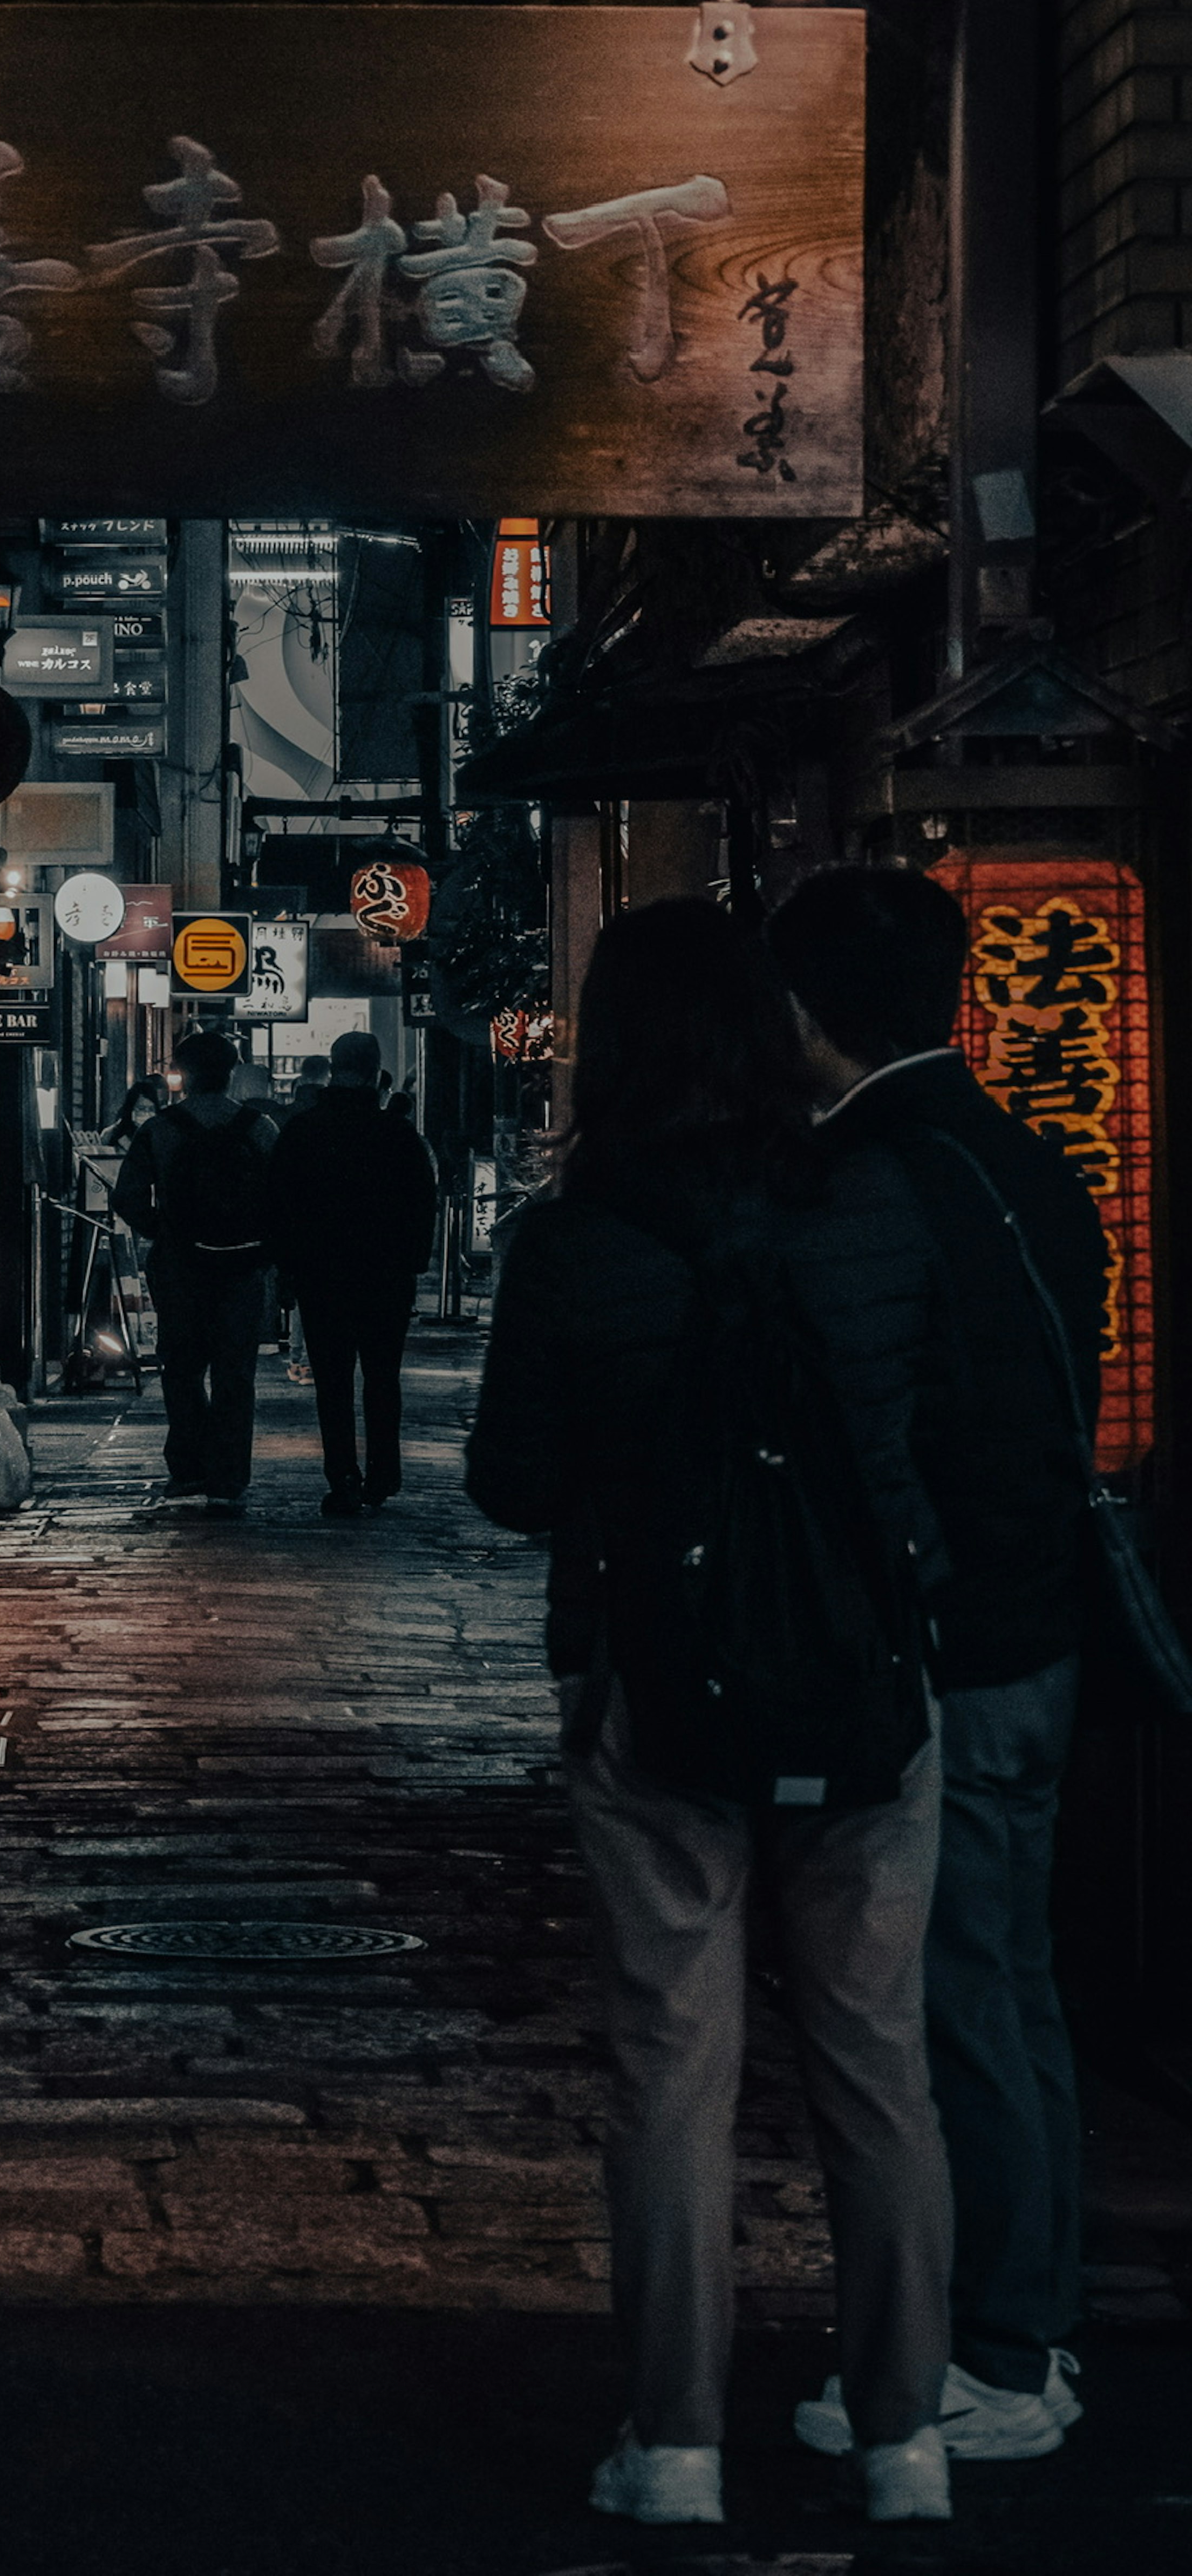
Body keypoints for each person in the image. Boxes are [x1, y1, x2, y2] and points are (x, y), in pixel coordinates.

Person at [467, 899, 955, 2528]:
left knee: (671, 2061)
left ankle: (672, 2445)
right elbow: (927, 1442)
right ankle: (904, 2442)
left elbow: (512, 1481)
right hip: (863, 1685)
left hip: (654, 1684)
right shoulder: (876, 1202)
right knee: (874, 2060)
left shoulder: (572, 1233)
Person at [766, 864, 1108, 2465]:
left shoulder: (871, 1179)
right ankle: (1030, 2321)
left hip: (950, 1647)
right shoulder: (1027, 1164)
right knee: (1013, 1989)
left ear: (802, 1015)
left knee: (949, 1997)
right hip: (1039, 1632)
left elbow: (885, 1428)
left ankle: (993, 2354)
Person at [267, 1030, 437, 1517]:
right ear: (374, 1070)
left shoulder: (303, 1132)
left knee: (332, 1383)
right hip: (385, 1277)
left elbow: (280, 1207)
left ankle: (342, 1476)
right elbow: (422, 1206)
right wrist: (413, 1264)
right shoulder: (399, 1136)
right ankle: (383, 1474)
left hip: (321, 1278)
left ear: (334, 1067)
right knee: (383, 1379)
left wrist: (287, 1270)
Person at [112, 1030, 280, 1517]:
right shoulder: (260, 1128)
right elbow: (282, 1198)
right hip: (243, 1269)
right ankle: (228, 1477)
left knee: (182, 1370)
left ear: (181, 1074)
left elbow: (127, 1197)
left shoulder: (161, 1130)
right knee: (235, 1374)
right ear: (232, 1073)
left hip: (181, 1267)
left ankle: (188, 1468)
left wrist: (163, 1231)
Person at [279, 1054, 332, 1382]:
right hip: (325, 1218)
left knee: (300, 1293)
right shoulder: (330, 1119)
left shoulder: (285, 1116)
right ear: (327, 1077)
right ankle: (308, 1358)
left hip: (291, 1219)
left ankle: (298, 1357)